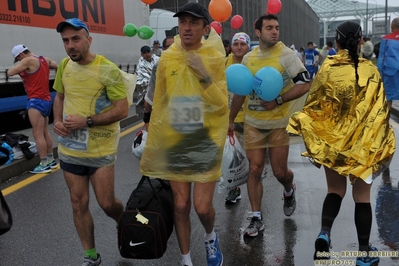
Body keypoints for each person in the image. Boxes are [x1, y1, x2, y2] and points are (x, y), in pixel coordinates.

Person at [287, 21, 395, 265]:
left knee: (335, 191)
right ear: (360, 42)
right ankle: (364, 252)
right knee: (362, 197)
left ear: (335, 42)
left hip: (334, 145)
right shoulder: (371, 71)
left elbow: (314, 106)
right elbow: (380, 112)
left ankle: (324, 233)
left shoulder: (327, 68)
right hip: (364, 147)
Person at [140, 2, 228, 266]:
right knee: (180, 206)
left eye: (193, 23)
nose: (187, 27)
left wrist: (202, 73)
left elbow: (222, 103)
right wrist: (150, 135)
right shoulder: (167, 57)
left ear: (204, 28)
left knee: (202, 207)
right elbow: (160, 102)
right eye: (183, 23)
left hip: (205, 141)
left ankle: (211, 237)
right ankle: (186, 258)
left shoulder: (213, 58)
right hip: (175, 141)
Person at [52, 18, 128, 265]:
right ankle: (90, 256)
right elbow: (60, 96)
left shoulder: (107, 69)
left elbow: (122, 110)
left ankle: (122, 219)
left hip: (100, 150)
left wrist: (87, 121)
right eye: (66, 40)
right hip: (71, 149)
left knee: (107, 204)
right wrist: (56, 119)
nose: (70, 45)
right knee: (78, 202)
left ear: (88, 40)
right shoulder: (64, 65)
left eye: (76, 39)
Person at [229, 14, 311, 237]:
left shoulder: (286, 55)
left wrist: (279, 100)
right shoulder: (249, 58)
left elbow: (305, 83)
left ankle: (288, 189)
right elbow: (240, 91)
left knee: (279, 172)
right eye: (269, 28)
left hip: (277, 125)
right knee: (254, 169)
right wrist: (230, 119)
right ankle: (256, 217)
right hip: (253, 124)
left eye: (276, 27)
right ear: (258, 32)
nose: (274, 31)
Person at [7, 45, 58, 174]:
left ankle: (44, 164)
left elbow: (10, 72)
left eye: (18, 59)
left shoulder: (27, 60)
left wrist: (22, 68)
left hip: (35, 101)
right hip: (46, 100)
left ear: (21, 55)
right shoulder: (44, 60)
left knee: (37, 134)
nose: (19, 62)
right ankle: (51, 161)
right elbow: (56, 65)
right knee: (46, 132)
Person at [224, 32, 251, 204]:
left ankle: (254, 182)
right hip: (229, 117)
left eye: (243, 44)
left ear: (248, 46)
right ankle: (233, 189)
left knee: (250, 157)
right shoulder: (224, 63)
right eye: (236, 44)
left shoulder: (253, 62)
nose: (239, 47)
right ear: (231, 46)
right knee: (231, 156)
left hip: (250, 118)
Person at [377, 17, 399, 179]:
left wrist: (379, 76)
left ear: (392, 27)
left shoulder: (386, 39)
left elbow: (381, 60)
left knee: (388, 102)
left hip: (390, 74)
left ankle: (385, 128)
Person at [143, 36, 175, 129]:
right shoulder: (159, 66)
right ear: (164, 49)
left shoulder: (190, 62)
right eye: (169, 47)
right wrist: (147, 116)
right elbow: (151, 92)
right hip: (166, 113)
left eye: (175, 46)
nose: (173, 49)